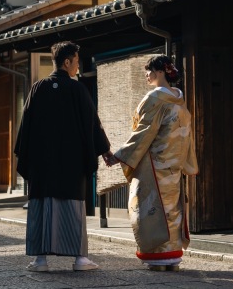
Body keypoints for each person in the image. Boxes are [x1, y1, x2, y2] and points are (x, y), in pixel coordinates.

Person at [14, 41, 115, 272]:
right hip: (71, 162)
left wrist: (25, 155)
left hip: (42, 163)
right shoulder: (77, 89)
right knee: (72, 207)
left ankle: (40, 260)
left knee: (41, 205)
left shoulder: (38, 88)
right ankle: (79, 259)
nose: (78, 66)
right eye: (77, 61)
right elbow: (92, 124)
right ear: (67, 62)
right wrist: (105, 150)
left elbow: (26, 125)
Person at [108, 55, 198, 271]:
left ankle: (158, 257)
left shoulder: (154, 99)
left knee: (151, 208)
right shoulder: (179, 99)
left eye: (148, 71)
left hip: (154, 164)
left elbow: (143, 132)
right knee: (172, 209)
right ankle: (172, 258)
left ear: (159, 72)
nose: (146, 76)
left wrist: (120, 155)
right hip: (174, 165)